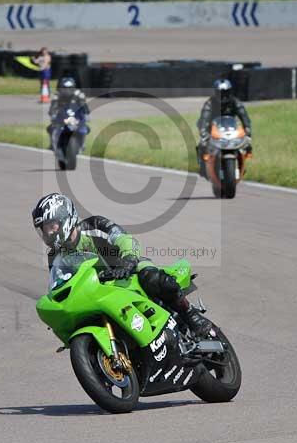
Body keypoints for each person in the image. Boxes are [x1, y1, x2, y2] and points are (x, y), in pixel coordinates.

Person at [31, 193, 215, 337]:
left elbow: (124, 239)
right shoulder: (55, 256)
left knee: (151, 277)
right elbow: (61, 285)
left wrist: (127, 261)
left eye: (51, 226)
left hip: (127, 271)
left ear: (65, 218)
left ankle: (192, 317)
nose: (48, 233)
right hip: (98, 292)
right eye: (44, 230)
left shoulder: (95, 225)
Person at [196, 79, 252, 177]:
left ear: (230, 92)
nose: (223, 96)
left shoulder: (235, 102)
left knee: (246, 143)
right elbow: (204, 118)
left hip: (230, 128)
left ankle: (242, 164)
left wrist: (247, 129)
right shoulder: (210, 103)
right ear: (215, 93)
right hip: (213, 129)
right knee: (202, 144)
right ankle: (203, 167)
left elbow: (244, 116)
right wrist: (203, 131)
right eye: (220, 93)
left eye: (226, 93)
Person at [46, 77, 90, 149]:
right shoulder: (57, 95)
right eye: (65, 88)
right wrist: (52, 114)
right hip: (61, 117)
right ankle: (52, 144)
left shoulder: (79, 95)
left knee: (85, 129)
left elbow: (84, 106)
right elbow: (53, 106)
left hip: (76, 117)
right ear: (61, 88)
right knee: (50, 128)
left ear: (73, 87)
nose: (67, 90)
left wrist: (86, 114)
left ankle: (82, 144)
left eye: (70, 88)